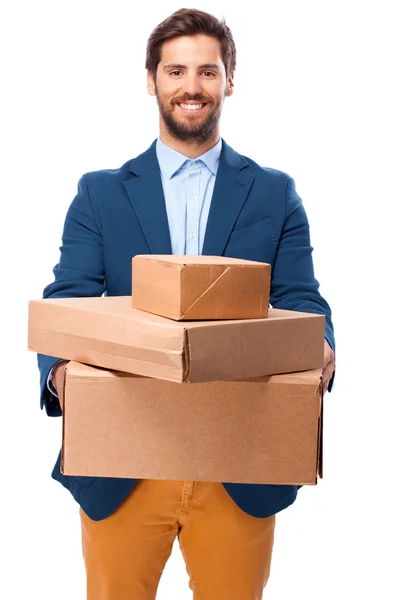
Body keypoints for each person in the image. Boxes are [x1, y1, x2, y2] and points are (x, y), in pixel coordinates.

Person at [37, 8, 336, 599]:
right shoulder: (101, 192)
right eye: (175, 71)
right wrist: (61, 376)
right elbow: (69, 297)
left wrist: (321, 346)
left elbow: (300, 296)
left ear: (229, 81)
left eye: (207, 71)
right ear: (152, 80)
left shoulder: (273, 192)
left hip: (239, 458)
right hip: (123, 459)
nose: (191, 86)